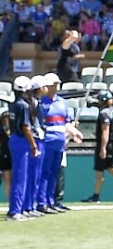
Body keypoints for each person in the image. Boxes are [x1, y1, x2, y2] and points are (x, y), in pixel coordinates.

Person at [37, 73, 81, 213]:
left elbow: (65, 123)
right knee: (45, 173)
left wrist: (74, 132)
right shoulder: (40, 103)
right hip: (46, 142)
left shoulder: (62, 103)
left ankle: (51, 202)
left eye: (56, 85)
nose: (54, 88)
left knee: (55, 173)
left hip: (59, 143)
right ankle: (42, 202)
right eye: (52, 85)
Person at [83, 90, 113, 204]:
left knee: (103, 170)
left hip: (104, 144)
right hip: (109, 144)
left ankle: (98, 195)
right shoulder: (112, 112)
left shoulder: (104, 114)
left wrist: (103, 148)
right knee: (108, 168)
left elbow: (105, 131)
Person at [6, 76, 41, 221]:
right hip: (21, 141)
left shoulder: (13, 104)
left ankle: (17, 209)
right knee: (21, 177)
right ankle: (15, 211)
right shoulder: (24, 105)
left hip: (15, 139)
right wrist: (33, 145)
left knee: (20, 176)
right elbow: (26, 128)